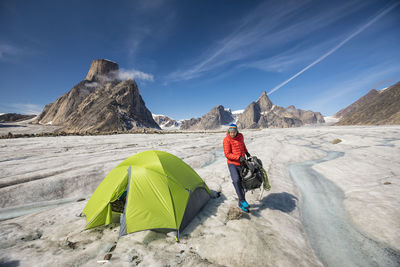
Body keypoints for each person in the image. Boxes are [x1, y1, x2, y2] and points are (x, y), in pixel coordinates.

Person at [223, 123, 251, 212]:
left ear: (236, 131)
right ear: (228, 132)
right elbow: (227, 154)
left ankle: (240, 204)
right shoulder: (226, 140)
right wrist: (238, 157)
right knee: (236, 180)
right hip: (232, 164)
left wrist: (246, 153)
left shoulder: (241, 136)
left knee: (243, 183)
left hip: (242, 163)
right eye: (230, 132)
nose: (232, 134)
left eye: (234, 132)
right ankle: (243, 200)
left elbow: (242, 145)